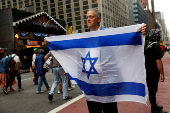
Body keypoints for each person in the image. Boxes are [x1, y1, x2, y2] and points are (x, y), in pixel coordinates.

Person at [84, 9, 147, 113]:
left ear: (99, 19)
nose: (88, 19)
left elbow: (126, 37)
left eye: (91, 17)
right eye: (87, 17)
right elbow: (80, 57)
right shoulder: (84, 38)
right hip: (91, 86)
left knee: (110, 111)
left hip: (107, 85)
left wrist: (139, 32)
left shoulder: (109, 33)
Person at [144, 29, 167, 113]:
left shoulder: (146, 45)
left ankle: (154, 106)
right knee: (153, 89)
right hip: (154, 71)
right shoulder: (156, 46)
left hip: (147, 70)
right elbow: (159, 62)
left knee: (151, 89)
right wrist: (162, 74)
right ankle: (154, 108)